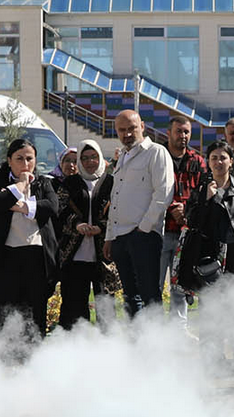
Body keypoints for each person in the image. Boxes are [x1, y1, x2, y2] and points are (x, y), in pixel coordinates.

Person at [177, 140, 234, 352]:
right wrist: (205, 199)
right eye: (214, 158)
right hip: (209, 259)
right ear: (208, 163)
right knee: (210, 308)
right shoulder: (201, 190)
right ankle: (211, 358)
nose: (219, 162)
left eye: (223, 157)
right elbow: (191, 222)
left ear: (231, 161)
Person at [0, 138, 60, 335]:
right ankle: (4, 357)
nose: (25, 164)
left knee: (35, 311)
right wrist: (20, 184)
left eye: (29, 159)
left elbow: (52, 206)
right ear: (9, 160)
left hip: (37, 256)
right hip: (7, 256)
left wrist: (24, 207)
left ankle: (34, 356)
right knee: (6, 310)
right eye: (19, 159)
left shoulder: (43, 183)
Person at [104, 110, 174, 317]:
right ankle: (135, 344)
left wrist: (143, 229)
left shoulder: (156, 152)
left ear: (142, 126)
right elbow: (115, 199)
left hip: (144, 237)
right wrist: (110, 237)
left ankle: (155, 345)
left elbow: (164, 193)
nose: (127, 134)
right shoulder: (123, 157)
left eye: (131, 128)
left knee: (150, 296)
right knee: (129, 296)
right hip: (120, 237)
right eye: (121, 130)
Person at [56, 140, 119, 329]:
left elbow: (119, 210)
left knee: (106, 306)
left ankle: (107, 349)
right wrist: (77, 225)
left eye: (94, 157)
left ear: (100, 157)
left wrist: (102, 226)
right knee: (74, 308)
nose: (90, 161)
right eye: (84, 158)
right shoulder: (70, 183)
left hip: (104, 255)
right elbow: (60, 209)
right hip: (75, 254)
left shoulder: (111, 182)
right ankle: (74, 350)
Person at [160, 115, 206, 331]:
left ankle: (178, 333)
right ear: (169, 133)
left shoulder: (197, 161)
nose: (183, 136)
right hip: (159, 231)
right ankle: (152, 331)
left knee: (180, 286)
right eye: (179, 131)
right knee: (154, 285)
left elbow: (204, 192)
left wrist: (186, 211)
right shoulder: (157, 157)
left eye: (187, 132)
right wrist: (172, 208)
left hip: (185, 234)